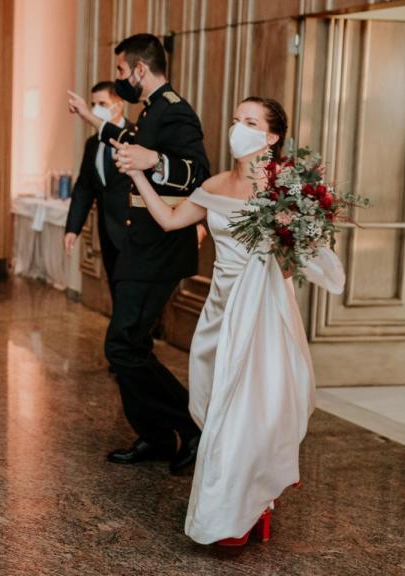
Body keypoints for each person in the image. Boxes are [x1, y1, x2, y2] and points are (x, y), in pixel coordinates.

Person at [121, 97, 323, 546]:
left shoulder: (284, 189)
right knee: (215, 405)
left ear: (271, 136)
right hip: (219, 305)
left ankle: (237, 510)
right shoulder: (214, 183)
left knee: (249, 408)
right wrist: (138, 176)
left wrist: (288, 234)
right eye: (235, 120)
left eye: (250, 122)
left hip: (261, 308)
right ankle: (247, 500)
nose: (238, 128)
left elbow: (291, 266)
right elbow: (172, 220)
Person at [67, 33, 210, 472]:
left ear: (140, 70)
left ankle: (190, 427)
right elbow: (128, 140)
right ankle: (156, 435)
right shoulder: (151, 110)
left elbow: (196, 171)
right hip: (141, 244)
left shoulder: (176, 111)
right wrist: (94, 122)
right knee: (133, 344)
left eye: (121, 72)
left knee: (123, 345)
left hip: (162, 249)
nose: (119, 80)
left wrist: (155, 162)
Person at [64, 81, 129, 299]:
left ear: (118, 105)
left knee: (132, 294)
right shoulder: (92, 143)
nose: (96, 109)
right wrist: (73, 228)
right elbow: (84, 188)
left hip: (134, 231)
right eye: (93, 104)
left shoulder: (135, 137)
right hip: (107, 231)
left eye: (102, 103)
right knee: (116, 290)